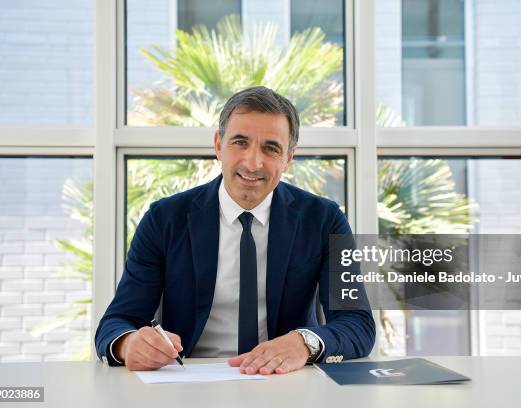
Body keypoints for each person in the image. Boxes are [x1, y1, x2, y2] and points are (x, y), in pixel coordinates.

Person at [95, 86, 375, 375]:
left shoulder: (324, 219)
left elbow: (358, 324)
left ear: (289, 158)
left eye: (271, 148)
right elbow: (116, 323)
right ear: (218, 145)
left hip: (285, 382)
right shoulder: (164, 219)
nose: (253, 163)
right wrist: (129, 345)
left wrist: (304, 343)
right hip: (187, 381)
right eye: (240, 142)